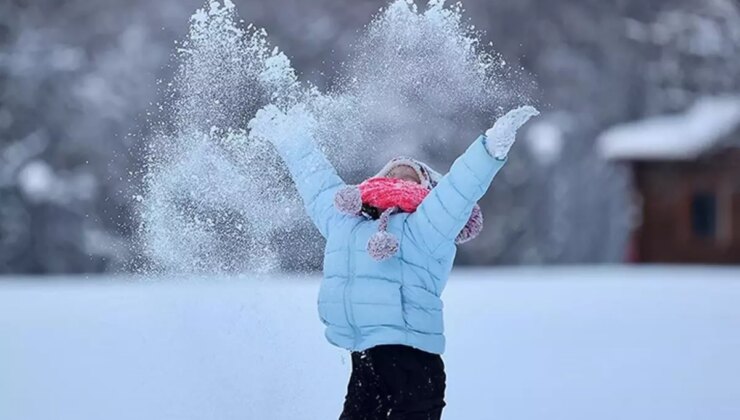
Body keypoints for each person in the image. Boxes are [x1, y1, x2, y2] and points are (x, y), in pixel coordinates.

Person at [248, 104, 538, 420]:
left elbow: (459, 189)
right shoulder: (346, 221)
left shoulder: (427, 226)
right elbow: (316, 182)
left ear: (427, 191)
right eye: (392, 171)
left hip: (413, 364)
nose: (401, 172)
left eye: (413, 175)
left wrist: (489, 148)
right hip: (365, 360)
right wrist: (290, 137)